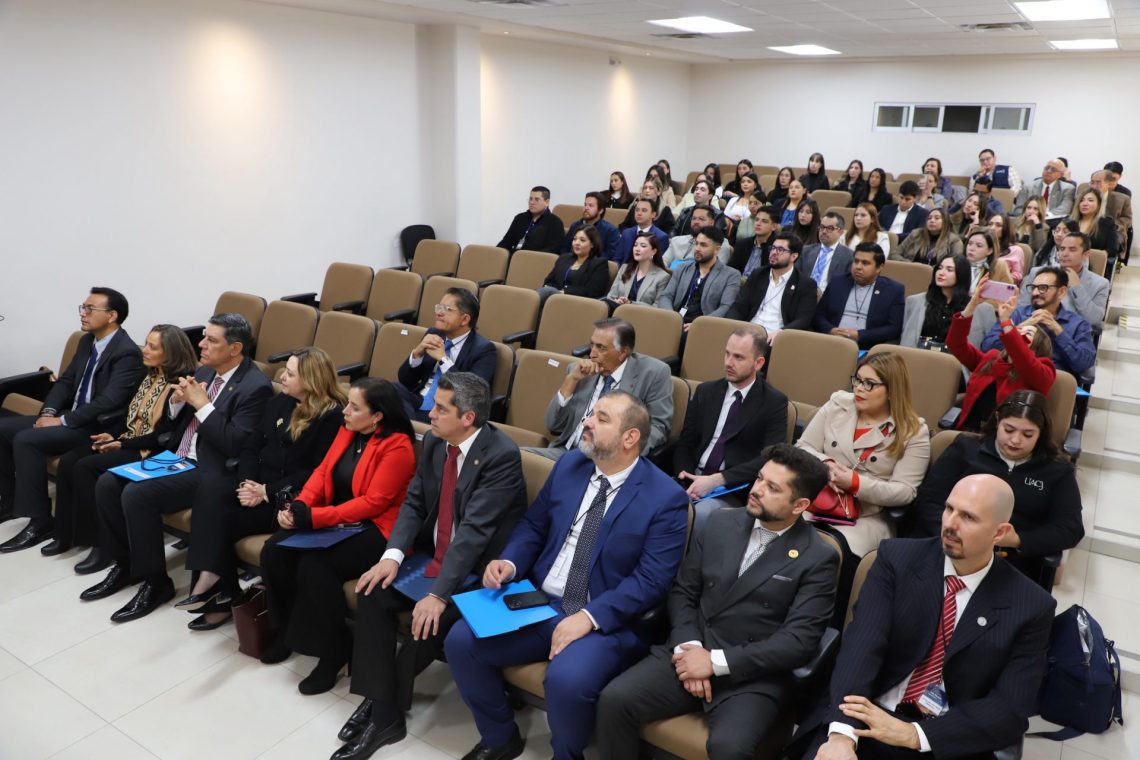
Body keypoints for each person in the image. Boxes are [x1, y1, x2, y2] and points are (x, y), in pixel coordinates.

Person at [444, 391, 690, 760]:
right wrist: (510, 562)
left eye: (601, 418)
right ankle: (499, 736)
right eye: (591, 413)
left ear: (630, 437)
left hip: (605, 617)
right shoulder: (570, 466)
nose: (587, 422)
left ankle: (566, 755)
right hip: (540, 600)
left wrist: (588, 617)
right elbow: (534, 526)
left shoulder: (665, 498)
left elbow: (651, 581)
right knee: (461, 641)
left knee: (566, 680)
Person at [332, 373, 529, 760]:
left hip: (482, 572)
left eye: (440, 408)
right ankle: (383, 705)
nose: (429, 413)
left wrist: (438, 595)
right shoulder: (437, 442)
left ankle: (381, 713)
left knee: (429, 622)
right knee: (371, 591)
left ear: (467, 418)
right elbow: (414, 503)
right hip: (435, 554)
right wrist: (391, 557)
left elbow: (473, 534)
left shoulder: (501, 456)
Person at [598, 444, 837, 760]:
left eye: (772, 488)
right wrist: (690, 648)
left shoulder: (818, 558)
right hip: (693, 649)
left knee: (729, 748)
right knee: (615, 700)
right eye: (759, 478)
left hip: (751, 675)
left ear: (800, 505)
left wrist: (714, 663)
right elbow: (683, 591)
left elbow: (797, 642)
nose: (757, 490)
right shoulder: (720, 523)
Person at [795, 474, 1055, 760]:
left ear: (999, 532)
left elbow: (1010, 707)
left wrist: (915, 734)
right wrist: (843, 734)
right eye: (949, 509)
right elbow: (862, 647)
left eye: (968, 517)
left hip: (943, 740)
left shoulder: (1031, 606)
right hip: (866, 718)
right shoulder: (898, 559)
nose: (950, 524)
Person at [82, 313, 273, 622]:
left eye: (211, 340)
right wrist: (177, 403)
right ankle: (125, 565)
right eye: (204, 336)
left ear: (235, 348)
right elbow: (176, 425)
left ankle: (156, 583)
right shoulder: (206, 371)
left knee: (137, 494)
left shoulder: (255, 386)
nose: (202, 344)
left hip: (208, 468)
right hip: (177, 456)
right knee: (108, 483)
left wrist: (202, 405)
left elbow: (236, 444)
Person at [257, 377, 417, 694]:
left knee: (316, 567)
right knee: (275, 550)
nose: (345, 411)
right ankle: (286, 630)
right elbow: (322, 472)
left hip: (377, 529)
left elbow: (373, 503)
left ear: (377, 416)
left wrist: (314, 518)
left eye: (354, 407)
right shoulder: (348, 430)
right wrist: (300, 505)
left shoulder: (398, 446)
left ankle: (335, 651)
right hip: (338, 518)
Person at [174, 347, 347, 630]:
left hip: (287, 496)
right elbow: (251, 447)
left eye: (290, 374)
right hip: (257, 484)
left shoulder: (332, 417)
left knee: (221, 519)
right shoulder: (280, 402)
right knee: (211, 492)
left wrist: (266, 491)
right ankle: (216, 589)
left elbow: (315, 472)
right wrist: (247, 483)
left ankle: (214, 589)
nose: (282, 377)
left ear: (311, 380)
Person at [38, 325, 197, 568]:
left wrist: (121, 443)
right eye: (146, 343)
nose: (144, 350)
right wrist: (111, 435)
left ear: (171, 353)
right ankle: (65, 532)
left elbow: (164, 435)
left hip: (148, 449)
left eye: (153, 347)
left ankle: (101, 544)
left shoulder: (180, 386)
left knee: (87, 467)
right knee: (70, 460)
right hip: (126, 439)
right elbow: (127, 415)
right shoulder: (148, 375)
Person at [0, 288, 145, 548]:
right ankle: (9, 502)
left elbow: (109, 401)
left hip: (96, 426)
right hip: (71, 416)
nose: (83, 313)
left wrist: (62, 421)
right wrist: (48, 412)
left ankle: (40, 520)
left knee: (26, 439)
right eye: (83, 307)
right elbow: (65, 383)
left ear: (112, 315)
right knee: (2, 429)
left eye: (90, 309)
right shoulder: (87, 341)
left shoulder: (127, 352)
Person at [912, 390, 1082, 584]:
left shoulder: (1057, 471)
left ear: (1040, 433)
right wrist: (959, 537)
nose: (1015, 440)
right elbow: (929, 500)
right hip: (948, 546)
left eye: (1027, 434)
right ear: (997, 420)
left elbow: (1070, 529)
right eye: (1008, 430)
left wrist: (1018, 540)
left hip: (1009, 563)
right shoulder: (965, 449)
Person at [796, 352, 930, 559]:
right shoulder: (838, 404)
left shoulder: (913, 431)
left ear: (891, 390)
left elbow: (905, 491)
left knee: (824, 552)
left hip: (866, 517)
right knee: (778, 532)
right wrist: (826, 465)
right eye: (858, 380)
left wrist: (855, 483)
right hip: (817, 500)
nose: (859, 388)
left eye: (869, 384)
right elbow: (802, 447)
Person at [673, 329, 790, 533]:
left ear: (758, 363)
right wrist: (686, 477)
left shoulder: (773, 402)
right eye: (727, 354)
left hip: (731, 489)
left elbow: (770, 458)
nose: (728, 362)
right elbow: (686, 443)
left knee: (699, 515)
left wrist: (717, 480)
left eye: (738, 357)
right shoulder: (706, 391)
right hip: (692, 478)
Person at [527, 318, 673, 460]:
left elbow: (658, 427)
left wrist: (621, 457)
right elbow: (553, 425)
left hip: (610, 459)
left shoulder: (653, 373)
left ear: (623, 352)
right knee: (518, 457)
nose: (592, 354)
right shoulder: (579, 371)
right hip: (565, 453)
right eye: (592, 345)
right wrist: (571, 380)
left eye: (601, 348)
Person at [948, 278, 1056, 432]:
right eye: (1018, 330)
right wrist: (972, 305)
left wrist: (1006, 321)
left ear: (1039, 347)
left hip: (1007, 438)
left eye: (1028, 334)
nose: (1020, 333)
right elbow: (956, 344)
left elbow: (1024, 360)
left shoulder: (1045, 370)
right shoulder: (992, 358)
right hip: (968, 432)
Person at [395, 287, 495, 424]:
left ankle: (406, 424)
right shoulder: (434, 333)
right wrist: (417, 354)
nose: (439, 313)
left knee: (394, 415)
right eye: (439, 307)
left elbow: (472, 393)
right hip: (418, 401)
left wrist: (443, 360)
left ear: (465, 319)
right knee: (388, 389)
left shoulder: (484, 350)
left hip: (447, 411)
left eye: (447, 309)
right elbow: (405, 381)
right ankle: (408, 423)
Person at [980, 267, 1095, 377]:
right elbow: (987, 347)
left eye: (1043, 288)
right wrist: (1023, 326)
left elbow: (1083, 364)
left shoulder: (1078, 324)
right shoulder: (1017, 314)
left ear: (1061, 292)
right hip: (1013, 375)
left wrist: (1058, 330)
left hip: (1051, 381)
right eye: (1033, 287)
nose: (1035, 292)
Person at [726, 232, 818, 339]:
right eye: (773, 248)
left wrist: (781, 333)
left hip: (777, 336)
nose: (774, 252)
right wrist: (731, 327)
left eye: (780, 250)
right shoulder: (758, 274)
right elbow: (739, 306)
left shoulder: (805, 284)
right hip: (748, 332)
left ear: (793, 256)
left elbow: (803, 319)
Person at [814, 244, 906, 349]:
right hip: (832, 342)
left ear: (879, 267)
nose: (858, 267)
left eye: (865, 263)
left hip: (868, 348)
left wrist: (860, 335)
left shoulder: (893, 290)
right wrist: (830, 330)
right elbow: (818, 315)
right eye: (856, 261)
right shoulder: (838, 282)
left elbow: (894, 328)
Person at [654, 227, 741, 333]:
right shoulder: (682, 268)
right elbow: (666, 296)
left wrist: (700, 325)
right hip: (675, 320)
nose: (697, 249)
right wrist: (672, 318)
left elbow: (726, 307)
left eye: (703, 245)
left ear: (717, 249)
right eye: (697, 243)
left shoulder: (731, 275)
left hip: (704, 328)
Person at [1020, 230, 1110, 329]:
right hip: (1036, 329)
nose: (1065, 254)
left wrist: (1077, 287)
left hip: (1073, 333)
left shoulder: (1101, 284)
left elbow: (1094, 320)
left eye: (1072, 250)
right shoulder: (1037, 273)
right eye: (1062, 249)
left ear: (1086, 254)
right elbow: (1021, 309)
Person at [899, 254, 970, 350]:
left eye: (949, 270)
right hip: (918, 354)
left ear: (961, 275)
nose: (941, 273)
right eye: (940, 268)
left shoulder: (971, 307)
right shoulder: (916, 301)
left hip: (951, 357)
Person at [539, 224, 611, 304]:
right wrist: (554, 290)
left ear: (592, 244)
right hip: (554, 298)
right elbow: (549, 281)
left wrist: (564, 292)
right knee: (544, 292)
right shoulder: (564, 258)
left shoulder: (599, 264)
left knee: (545, 293)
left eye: (582, 240)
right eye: (574, 239)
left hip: (578, 302)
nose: (577, 243)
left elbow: (592, 291)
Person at [606, 231, 672, 307]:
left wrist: (631, 303)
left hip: (643, 314)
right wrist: (617, 301)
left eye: (643, 246)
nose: (637, 249)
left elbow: (657, 307)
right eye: (635, 245)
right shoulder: (625, 268)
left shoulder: (663, 277)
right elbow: (611, 296)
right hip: (617, 311)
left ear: (654, 251)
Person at [496, 186, 564, 254]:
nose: (532, 202)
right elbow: (506, 241)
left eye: (536, 199)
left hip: (536, 258)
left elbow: (553, 248)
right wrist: (496, 253)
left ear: (547, 202)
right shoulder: (520, 218)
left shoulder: (555, 222)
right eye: (530, 199)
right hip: (515, 257)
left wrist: (529, 257)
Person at [799, 212, 855, 293]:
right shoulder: (805, 251)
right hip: (803, 294)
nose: (824, 231)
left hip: (830, 296)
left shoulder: (849, 256)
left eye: (830, 228)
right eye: (822, 227)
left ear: (840, 232)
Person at [664, 204, 732, 266]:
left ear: (712, 222)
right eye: (694, 218)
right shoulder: (676, 241)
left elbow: (717, 271)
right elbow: (663, 263)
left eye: (701, 219)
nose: (696, 222)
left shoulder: (721, 245)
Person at [560, 191, 620, 261]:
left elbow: (609, 255)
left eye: (591, 205)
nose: (586, 208)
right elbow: (565, 249)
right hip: (572, 262)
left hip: (595, 265)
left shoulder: (611, 231)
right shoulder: (575, 225)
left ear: (600, 210)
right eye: (585, 205)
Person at [891, 208, 963, 265]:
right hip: (910, 272)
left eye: (937, 218)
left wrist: (929, 270)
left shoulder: (954, 241)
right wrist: (910, 265)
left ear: (945, 221)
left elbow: (955, 265)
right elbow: (894, 254)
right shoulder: (916, 234)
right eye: (929, 218)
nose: (932, 220)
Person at [728, 204, 781, 278]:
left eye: (764, 221)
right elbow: (730, 269)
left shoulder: (776, 249)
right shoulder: (742, 244)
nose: (758, 224)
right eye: (757, 220)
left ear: (774, 226)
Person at [1089, 169, 1133, 256]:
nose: (1094, 186)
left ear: (1109, 184)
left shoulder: (1122, 199)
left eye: (1098, 182)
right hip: (1088, 227)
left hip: (1112, 230)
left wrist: (1111, 225)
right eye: (1092, 182)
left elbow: (1127, 218)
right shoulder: (1084, 196)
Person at [1070, 187, 1120, 259]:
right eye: (1082, 200)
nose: (1084, 204)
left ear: (1099, 205)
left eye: (1090, 200)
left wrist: (1097, 256)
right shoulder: (1070, 222)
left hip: (1093, 262)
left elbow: (1113, 249)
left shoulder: (1106, 223)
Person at [616, 197, 669, 264]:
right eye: (637, 210)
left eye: (644, 210)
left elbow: (658, 263)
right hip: (624, 269)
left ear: (653, 214)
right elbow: (617, 259)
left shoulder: (661, 237)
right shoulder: (626, 233)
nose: (639, 213)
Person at [962, 228, 1013, 295]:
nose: (971, 248)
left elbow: (1007, 294)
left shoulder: (999, 266)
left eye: (979, 246)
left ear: (989, 251)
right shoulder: (958, 263)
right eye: (970, 243)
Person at [987, 214, 1025, 284]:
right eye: (990, 224)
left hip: (1001, 285)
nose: (992, 228)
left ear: (1006, 229)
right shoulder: (982, 246)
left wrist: (1002, 273)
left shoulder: (1015, 250)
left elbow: (1017, 277)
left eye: (998, 225)